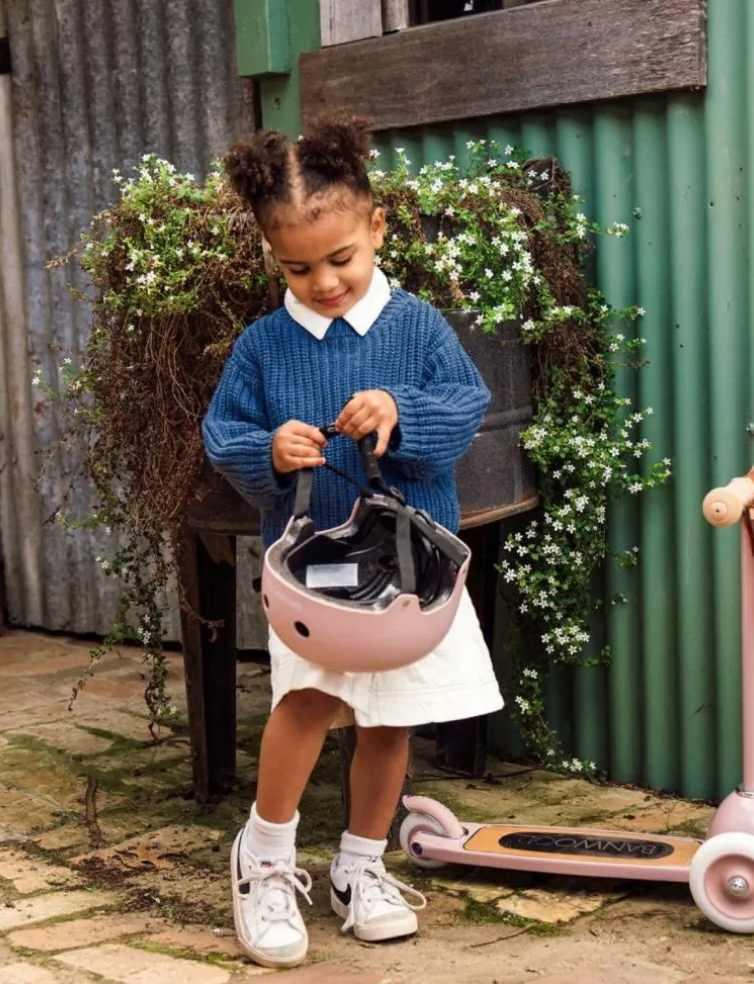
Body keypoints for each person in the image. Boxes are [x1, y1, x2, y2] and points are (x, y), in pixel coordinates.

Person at [201, 114, 504, 969]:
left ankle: (361, 868)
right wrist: (268, 450)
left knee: (390, 720)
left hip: (406, 570)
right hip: (312, 578)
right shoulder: (263, 346)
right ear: (272, 255)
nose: (324, 281)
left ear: (376, 227)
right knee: (311, 704)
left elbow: (465, 406)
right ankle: (264, 858)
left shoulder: (417, 328)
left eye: (340, 259)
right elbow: (222, 430)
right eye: (297, 267)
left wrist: (402, 413)